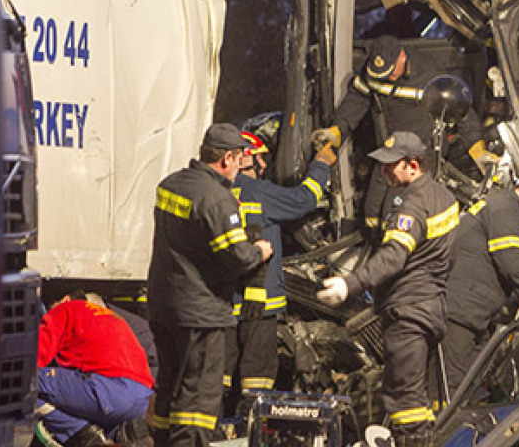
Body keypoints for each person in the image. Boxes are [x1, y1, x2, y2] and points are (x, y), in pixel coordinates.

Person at [316, 131, 459, 447]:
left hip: (408, 312)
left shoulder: (413, 206)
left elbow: (394, 256)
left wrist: (350, 284)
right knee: (419, 399)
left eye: (391, 165)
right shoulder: (444, 198)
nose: (384, 172)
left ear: (413, 165)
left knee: (402, 399)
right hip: (430, 307)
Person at [147, 123, 274, 447]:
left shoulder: (169, 185)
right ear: (227, 158)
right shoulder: (218, 199)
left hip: (164, 307)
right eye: (240, 160)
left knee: (169, 388)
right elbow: (236, 257)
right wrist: (259, 250)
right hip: (201, 316)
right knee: (198, 401)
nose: (240, 169)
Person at [311, 34, 494, 231]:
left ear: (402, 57)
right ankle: (377, 247)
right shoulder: (373, 73)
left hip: (419, 158)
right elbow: (356, 101)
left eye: (391, 73)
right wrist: (337, 130)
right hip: (389, 151)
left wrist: (477, 149)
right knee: (373, 210)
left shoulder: (429, 76)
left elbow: (462, 112)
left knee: (404, 210)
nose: (387, 79)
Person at [222, 130, 335, 415]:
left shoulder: (216, 192)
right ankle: (248, 432)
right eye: (261, 159)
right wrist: (321, 163)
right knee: (256, 378)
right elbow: (304, 199)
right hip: (260, 304)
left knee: (220, 377)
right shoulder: (258, 192)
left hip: (222, 303)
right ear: (250, 160)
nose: (264, 165)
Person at [441, 168, 519, 395]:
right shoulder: (506, 209)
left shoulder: (508, 209)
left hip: (474, 315)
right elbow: (517, 269)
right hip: (460, 313)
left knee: (474, 386)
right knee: (456, 390)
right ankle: (446, 431)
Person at [36, 290, 155, 447]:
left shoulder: (66, 308)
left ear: (66, 298)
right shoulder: (113, 317)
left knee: (27, 382)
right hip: (142, 401)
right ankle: (124, 434)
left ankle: (83, 435)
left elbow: (36, 358)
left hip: (109, 392)